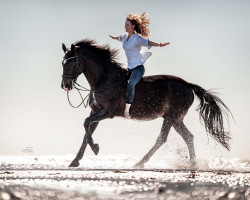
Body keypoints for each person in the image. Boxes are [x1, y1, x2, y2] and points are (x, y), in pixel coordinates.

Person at [110, 12, 170, 118]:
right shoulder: (124, 36)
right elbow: (119, 37)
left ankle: (127, 110)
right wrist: (114, 37)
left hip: (138, 69)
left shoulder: (137, 39)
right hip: (129, 69)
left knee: (131, 84)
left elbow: (148, 42)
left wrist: (160, 45)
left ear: (133, 26)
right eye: (125, 24)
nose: (125, 26)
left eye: (127, 25)